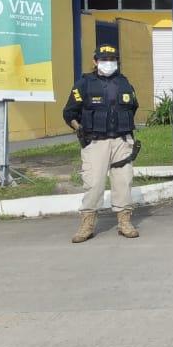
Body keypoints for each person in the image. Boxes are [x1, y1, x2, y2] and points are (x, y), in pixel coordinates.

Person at [63, 44, 140, 243]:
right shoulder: (84, 84)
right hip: (96, 142)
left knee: (123, 181)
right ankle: (87, 224)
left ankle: (124, 222)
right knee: (94, 183)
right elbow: (69, 112)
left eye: (112, 59)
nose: (108, 63)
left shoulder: (124, 83)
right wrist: (78, 128)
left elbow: (133, 106)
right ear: (95, 61)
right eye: (104, 60)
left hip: (121, 141)